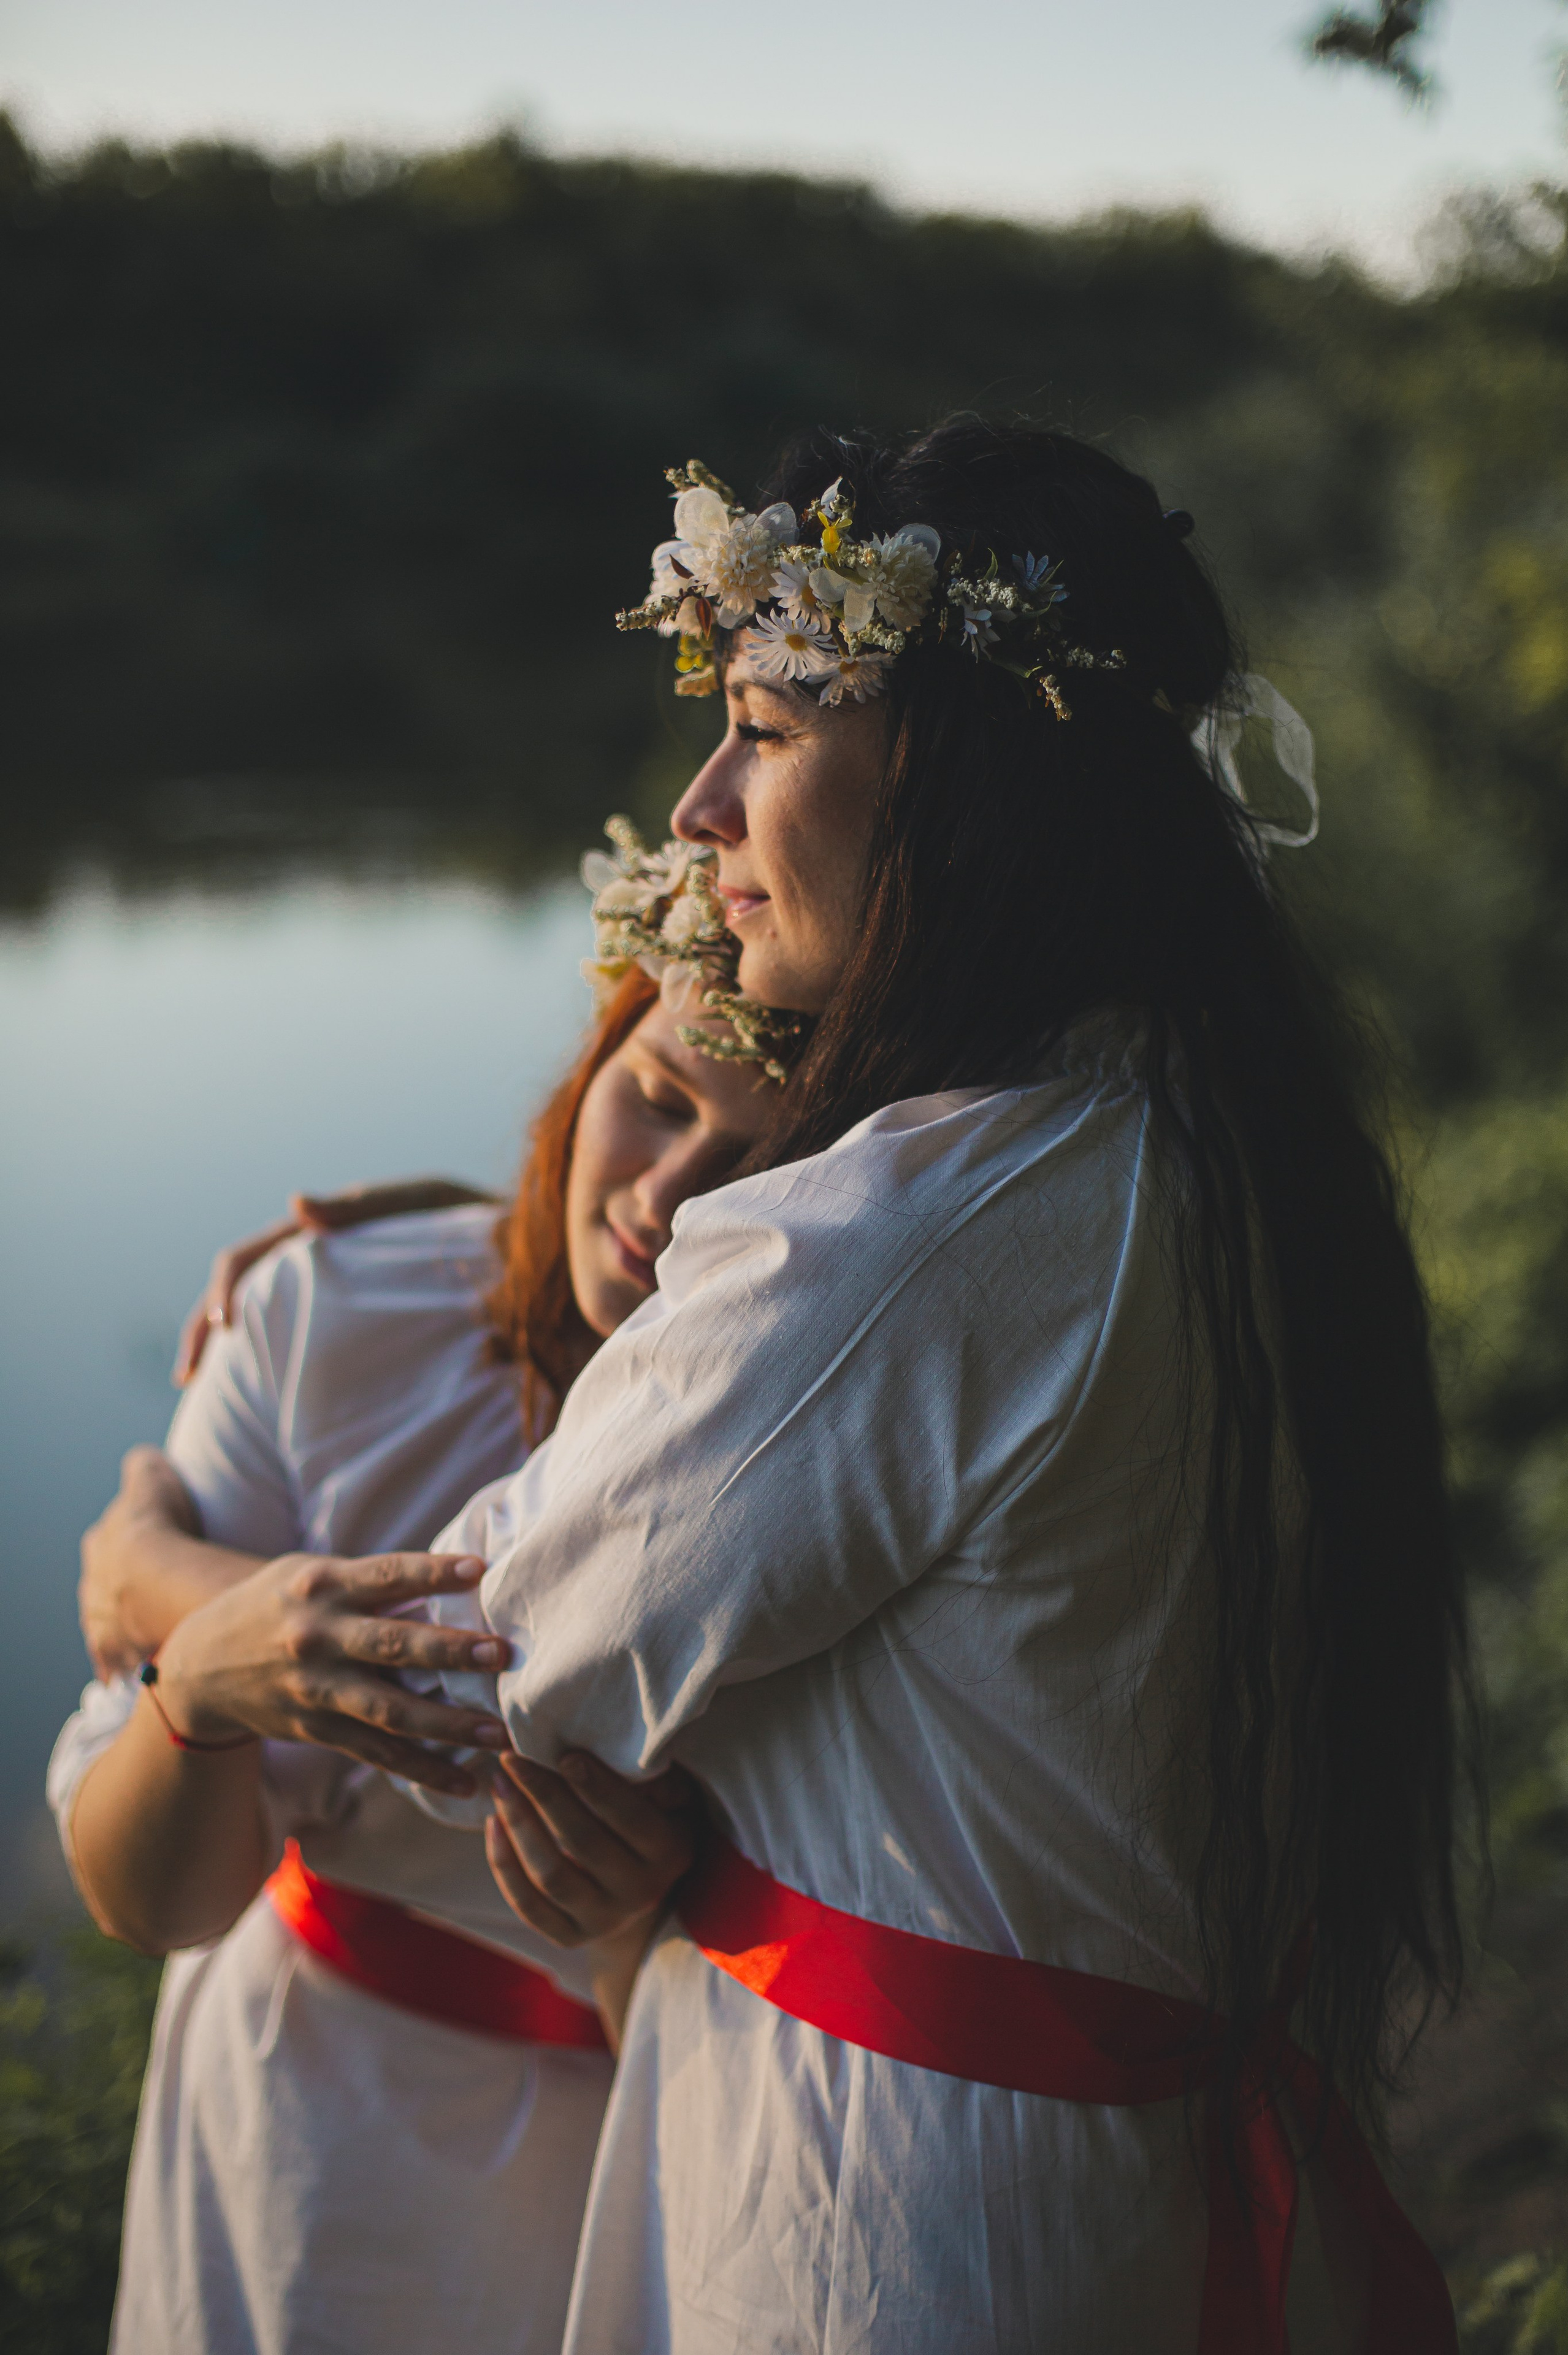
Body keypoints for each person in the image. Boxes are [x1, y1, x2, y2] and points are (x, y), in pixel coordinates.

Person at [408, 422, 1471, 2353]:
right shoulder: (1203, 1131)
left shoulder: (895, 1239)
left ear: (955, 779)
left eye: (763, 728)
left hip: (888, 2217)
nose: (700, 807)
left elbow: (481, 1644)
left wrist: (161, 1589)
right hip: (1108, 2171)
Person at [50, 955, 775, 2355]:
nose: (668, 1194)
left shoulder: (812, 1440)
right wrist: (195, 1686)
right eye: (655, 1096)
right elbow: (139, 1896)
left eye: (753, 1163)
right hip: (298, 2113)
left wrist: (641, 1919)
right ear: (589, 1065)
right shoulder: (336, 1311)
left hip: (639, 2140)